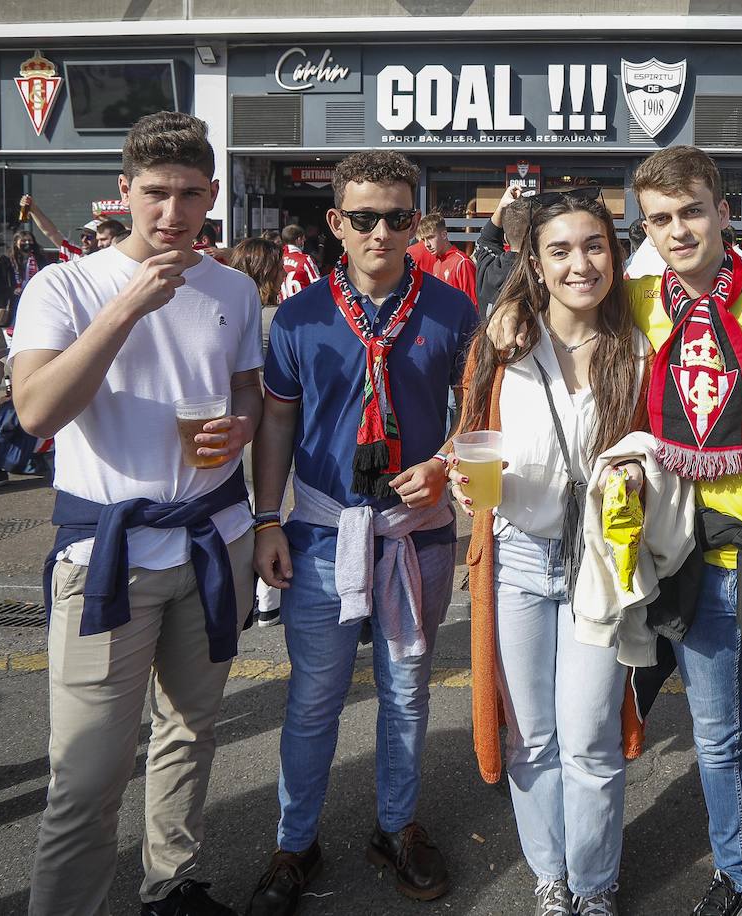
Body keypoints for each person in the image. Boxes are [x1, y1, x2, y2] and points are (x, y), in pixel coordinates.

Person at [489, 145, 742, 916]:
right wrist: (511, 305)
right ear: (646, 231)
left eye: (692, 211)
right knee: (717, 741)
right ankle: (735, 873)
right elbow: (562, 300)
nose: (678, 230)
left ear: (725, 211)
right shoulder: (644, 301)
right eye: (660, 219)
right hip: (690, 553)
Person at [10, 111, 263, 916]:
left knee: (190, 735)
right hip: (106, 553)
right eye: (155, 193)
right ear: (123, 192)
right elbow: (37, 413)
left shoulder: (233, 287)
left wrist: (243, 426)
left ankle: (172, 885)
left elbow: (249, 390)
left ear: (212, 195)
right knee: (87, 773)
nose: (172, 213)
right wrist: (127, 308)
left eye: (190, 194)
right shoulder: (64, 285)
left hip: (209, 543)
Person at [245, 150, 476, 915]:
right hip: (318, 530)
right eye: (365, 217)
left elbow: (478, 415)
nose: (382, 231)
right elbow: (277, 418)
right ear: (336, 223)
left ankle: (397, 827)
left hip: (418, 530)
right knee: (313, 697)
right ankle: (295, 840)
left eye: (399, 217)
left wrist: (445, 462)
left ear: (417, 221)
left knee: (407, 694)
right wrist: (267, 517)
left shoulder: (450, 309)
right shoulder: (301, 317)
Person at [444, 190, 651, 916]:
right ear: (534, 262)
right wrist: (458, 483)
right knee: (533, 737)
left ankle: (594, 886)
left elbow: (657, 450)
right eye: (560, 250)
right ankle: (550, 879)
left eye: (593, 246)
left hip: (599, 565)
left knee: (590, 736)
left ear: (614, 254)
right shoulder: (503, 347)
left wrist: (639, 468)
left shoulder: (636, 346)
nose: (580, 264)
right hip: (518, 560)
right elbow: (465, 436)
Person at [476, 185, 532, 314]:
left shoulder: (488, 269)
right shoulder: (539, 275)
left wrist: (501, 207)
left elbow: (486, 240)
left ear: (506, 238)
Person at [408, 209, 478, 306]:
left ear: (444, 235)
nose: (427, 244)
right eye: (423, 240)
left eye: (431, 237)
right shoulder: (437, 264)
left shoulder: (462, 263)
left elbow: (473, 305)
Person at [227, 237, 283, 350]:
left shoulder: (226, 311)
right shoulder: (279, 316)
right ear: (266, 273)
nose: (285, 273)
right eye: (281, 268)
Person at [0, 229, 46, 331]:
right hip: (11, 305)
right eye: (23, 241)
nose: (27, 243)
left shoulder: (40, 260)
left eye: (30, 240)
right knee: (12, 341)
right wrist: (12, 290)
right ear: (16, 242)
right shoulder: (4, 261)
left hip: (34, 303)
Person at [20, 194, 99, 261]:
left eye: (89, 237)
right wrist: (33, 209)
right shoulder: (76, 253)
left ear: (100, 240)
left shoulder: (108, 260)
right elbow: (51, 233)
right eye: (82, 236)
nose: (83, 240)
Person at [278, 224, 320, 302]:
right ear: (298, 240)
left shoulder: (278, 258)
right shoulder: (306, 259)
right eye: (303, 239)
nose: (304, 241)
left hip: (282, 307)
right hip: (302, 306)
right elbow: (317, 285)